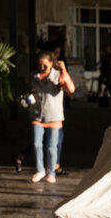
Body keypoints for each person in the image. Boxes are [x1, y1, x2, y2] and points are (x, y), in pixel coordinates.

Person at [26, 50, 75, 183]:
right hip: (37, 115)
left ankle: (51, 172)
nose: (41, 68)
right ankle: (40, 170)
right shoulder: (34, 76)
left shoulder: (58, 76)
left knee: (51, 147)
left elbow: (71, 89)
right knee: (36, 144)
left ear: (52, 64)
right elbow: (29, 91)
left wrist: (64, 70)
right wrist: (26, 100)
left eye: (45, 66)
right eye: (39, 65)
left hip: (54, 116)